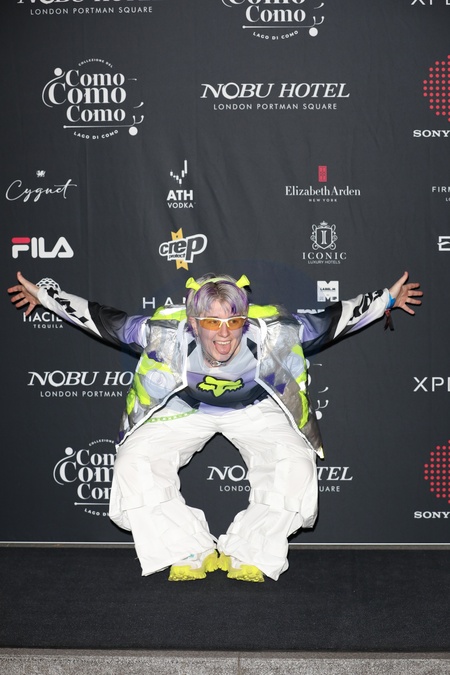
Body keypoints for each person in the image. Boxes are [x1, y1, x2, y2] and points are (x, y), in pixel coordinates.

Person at [8, 270, 422, 582]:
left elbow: (336, 319)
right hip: (185, 406)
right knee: (135, 462)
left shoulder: (276, 333)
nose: (224, 335)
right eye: (211, 323)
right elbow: (99, 318)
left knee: (295, 464)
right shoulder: (162, 335)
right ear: (193, 323)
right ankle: (188, 549)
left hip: (257, 406)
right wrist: (45, 296)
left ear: (244, 319)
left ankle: (250, 551)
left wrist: (386, 299)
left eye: (233, 322)